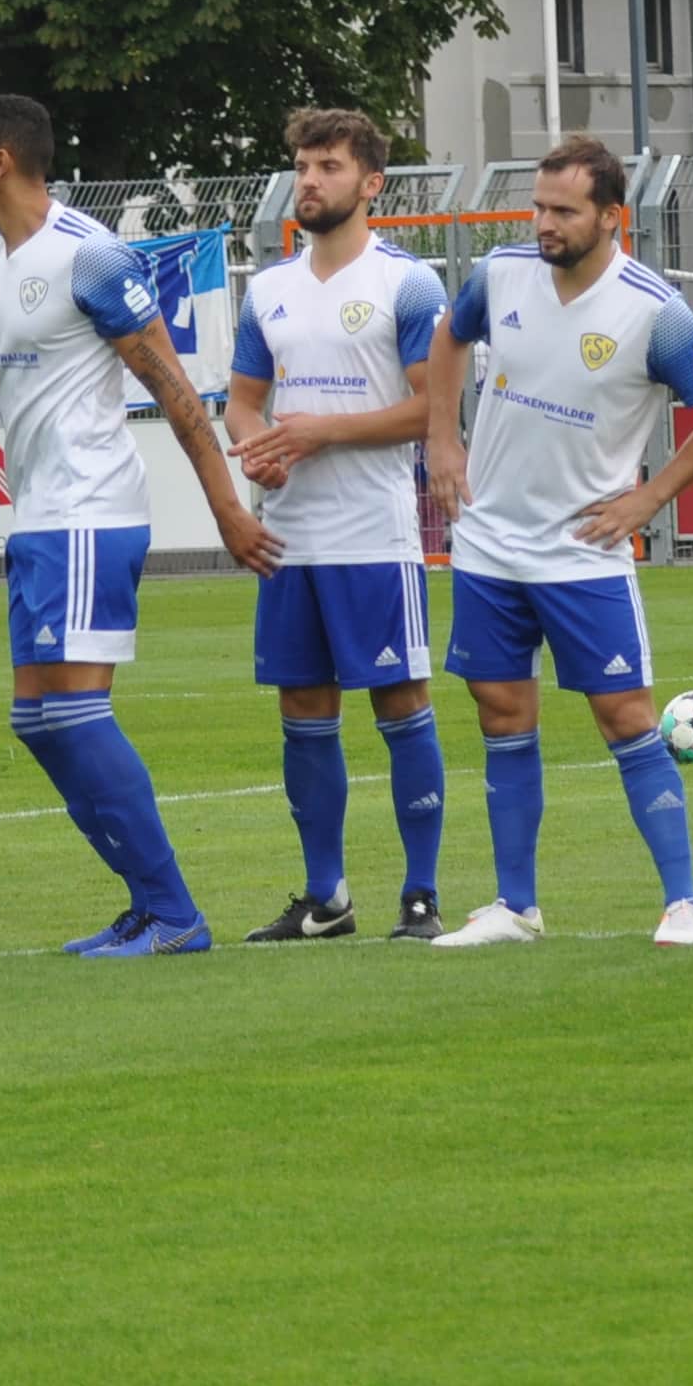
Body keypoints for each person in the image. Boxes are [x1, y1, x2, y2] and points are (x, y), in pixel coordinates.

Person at [0, 94, 277, 956]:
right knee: (37, 724)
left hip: (91, 511)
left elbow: (176, 392)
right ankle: (152, 907)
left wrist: (226, 508)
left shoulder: (92, 257)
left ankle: (175, 911)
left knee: (70, 717)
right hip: (40, 521)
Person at [417, 133, 693, 948]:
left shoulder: (653, 310)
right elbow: (448, 338)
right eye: (538, 206)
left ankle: (683, 904)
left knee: (625, 715)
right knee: (501, 712)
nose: (544, 223)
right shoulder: (500, 275)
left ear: (612, 216)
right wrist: (441, 439)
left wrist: (648, 499)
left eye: (563, 210)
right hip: (491, 541)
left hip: (581, 549)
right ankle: (515, 907)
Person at [227, 105, 451, 942]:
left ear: (372, 184)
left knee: (400, 703)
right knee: (303, 709)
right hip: (291, 537)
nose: (310, 180)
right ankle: (327, 896)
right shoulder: (272, 290)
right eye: (303, 165)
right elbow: (245, 405)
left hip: (373, 532)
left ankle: (421, 895)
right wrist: (261, 450)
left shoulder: (408, 283)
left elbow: (433, 409)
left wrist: (319, 431)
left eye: (328, 166)